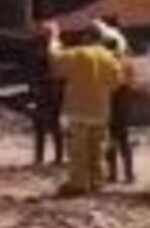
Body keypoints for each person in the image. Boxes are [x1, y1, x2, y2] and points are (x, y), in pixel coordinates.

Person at [46, 22, 126, 196]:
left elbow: (55, 61)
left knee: (78, 150)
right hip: (100, 111)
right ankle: (97, 182)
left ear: (86, 37)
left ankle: (78, 184)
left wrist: (54, 37)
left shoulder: (77, 54)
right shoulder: (109, 57)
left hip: (77, 111)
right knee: (97, 149)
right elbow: (116, 83)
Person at [95, 18, 136, 184]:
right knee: (123, 138)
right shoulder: (126, 61)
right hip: (123, 102)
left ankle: (113, 174)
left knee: (111, 138)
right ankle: (128, 173)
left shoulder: (105, 63)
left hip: (111, 102)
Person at [31, 37, 64, 167]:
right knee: (41, 127)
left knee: (53, 126)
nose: (39, 51)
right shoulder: (40, 61)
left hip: (50, 96)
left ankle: (57, 157)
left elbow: (57, 80)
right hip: (43, 96)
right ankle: (41, 157)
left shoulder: (53, 60)